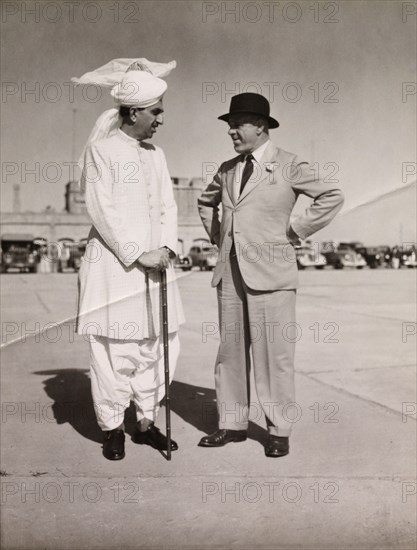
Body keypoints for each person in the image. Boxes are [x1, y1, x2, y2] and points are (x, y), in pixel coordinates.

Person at [197, 93, 344, 457]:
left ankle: (279, 429)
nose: (231, 131)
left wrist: (295, 232)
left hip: (272, 275)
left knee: (274, 357)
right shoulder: (228, 168)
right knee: (229, 354)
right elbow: (205, 202)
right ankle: (231, 424)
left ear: (260, 126)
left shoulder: (290, 164)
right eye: (229, 125)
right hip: (230, 274)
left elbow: (332, 196)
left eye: (237, 124)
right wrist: (220, 238)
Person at [76, 64, 184, 460]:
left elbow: (168, 207)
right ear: (134, 112)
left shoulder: (157, 155)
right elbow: (101, 210)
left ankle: (146, 422)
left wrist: (167, 248)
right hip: (114, 268)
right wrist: (138, 254)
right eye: (156, 111)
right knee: (113, 350)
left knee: (157, 345)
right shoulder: (100, 151)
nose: (161, 119)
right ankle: (113, 428)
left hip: (157, 267)